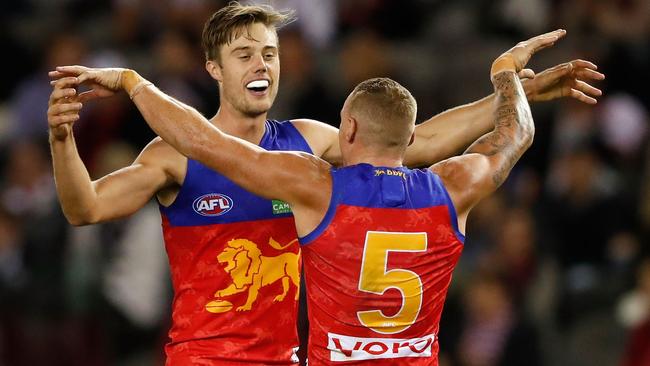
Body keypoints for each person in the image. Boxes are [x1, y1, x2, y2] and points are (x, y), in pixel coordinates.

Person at [47, 3, 604, 365]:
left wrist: (514, 96)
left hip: (293, 356)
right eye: (243, 54)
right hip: (205, 357)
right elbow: (85, 208)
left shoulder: (309, 145)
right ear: (214, 68)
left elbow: (414, 142)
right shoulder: (172, 153)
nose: (260, 63)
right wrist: (62, 141)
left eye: (269, 52)